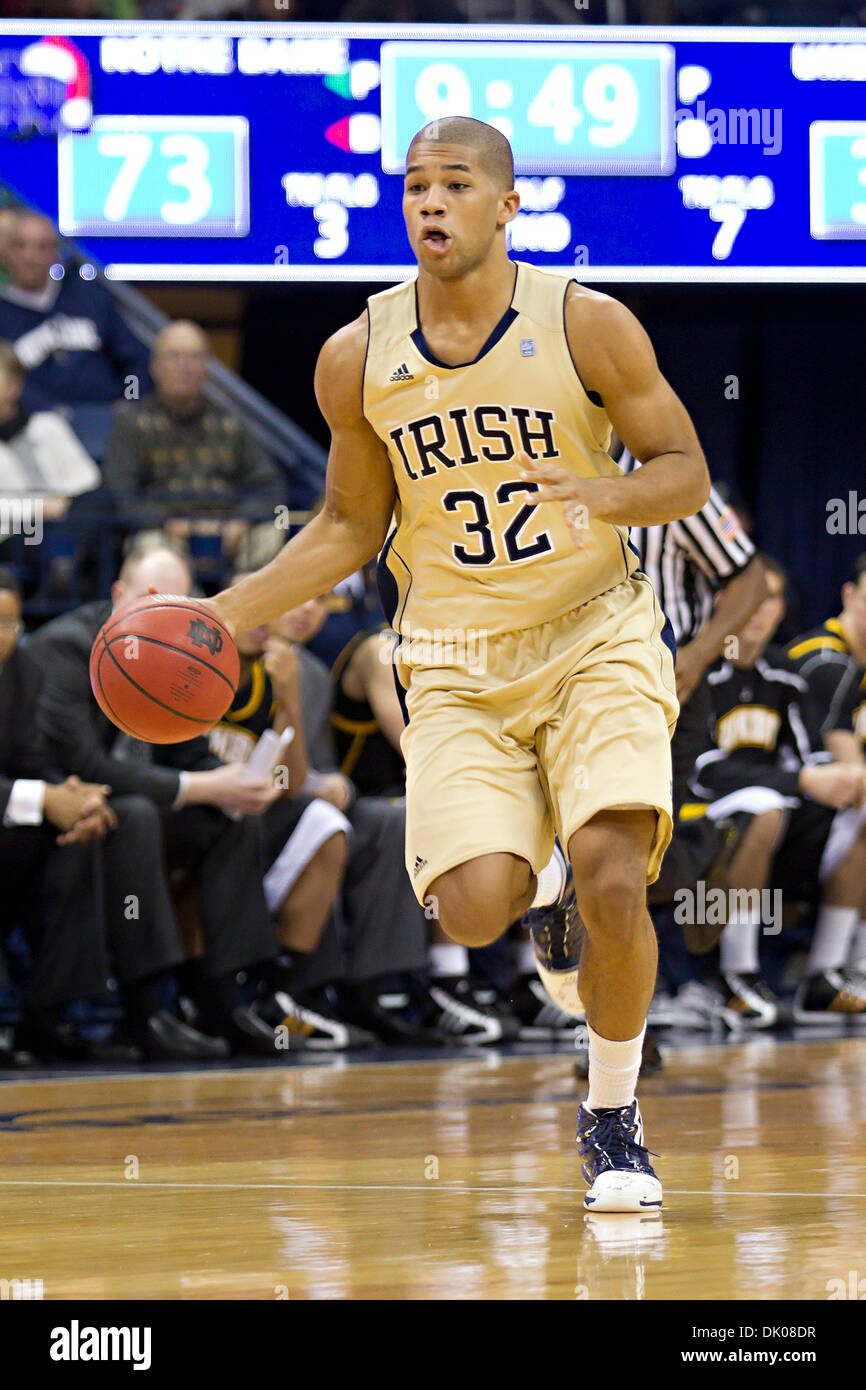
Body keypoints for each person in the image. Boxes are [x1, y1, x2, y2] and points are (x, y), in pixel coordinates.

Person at [208, 116, 712, 1211]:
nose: (428, 202)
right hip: (450, 655)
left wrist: (603, 494)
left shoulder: (589, 323)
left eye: (452, 183)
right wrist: (224, 610)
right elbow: (346, 525)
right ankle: (539, 899)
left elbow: (683, 470)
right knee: (473, 908)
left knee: (618, 870)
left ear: (505, 204)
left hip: (592, 632)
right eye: (413, 186)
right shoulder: (357, 353)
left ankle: (611, 1118)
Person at [28, 540, 303, 1058]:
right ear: (118, 593)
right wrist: (201, 787)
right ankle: (146, 1007)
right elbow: (85, 766)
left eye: (177, 602)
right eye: (151, 597)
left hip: (129, 807)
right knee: (136, 818)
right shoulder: (65, 647)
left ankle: (222, 998)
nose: (163, 612)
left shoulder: (174, 649)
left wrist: (232, 782)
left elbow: (191, 749)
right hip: (61, 807)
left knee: (231, 817)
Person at [691, 564, 866, 1024]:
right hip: (699, 806)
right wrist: (801, 783)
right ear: (720, 602)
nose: (756, 609)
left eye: (768, 599)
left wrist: (841, 779)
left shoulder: (783, 675)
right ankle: (738, 972)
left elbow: (809, 755)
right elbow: (698, 770)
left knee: (858, 813)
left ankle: (827, 974)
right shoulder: (698, 671)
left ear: (781, 610)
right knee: (765, 809)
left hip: (775, 811)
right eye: (748, 595)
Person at [102, 320, 285, 569]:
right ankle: (177, 608)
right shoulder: (132, 424)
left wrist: (241, 521)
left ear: (206, 367)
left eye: (194, 357)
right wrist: (168, 523)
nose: (184, 366)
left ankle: (243, 605)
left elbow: (270, 486)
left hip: (228, 529)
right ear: (155, 366)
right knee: (151, 545)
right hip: (164, 531)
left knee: (270, 534)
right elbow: (120, 493)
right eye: (174, 356)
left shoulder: (231, 422)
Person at [0, 211, 151, 456]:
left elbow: (135, 361)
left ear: (55, 254)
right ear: (6, 254)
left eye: (42, 247)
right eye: (21, 246)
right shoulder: (3, 315)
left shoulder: (90, 299)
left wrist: (129, 398)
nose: (31, 257)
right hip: (34, 435)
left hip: (105, 425)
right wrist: (47, 410)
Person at [0, 340, 100, 525]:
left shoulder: (48, 426)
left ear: (15, 384)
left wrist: (65, 501)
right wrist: (35, 509)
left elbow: (87, 482)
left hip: (59, 529)